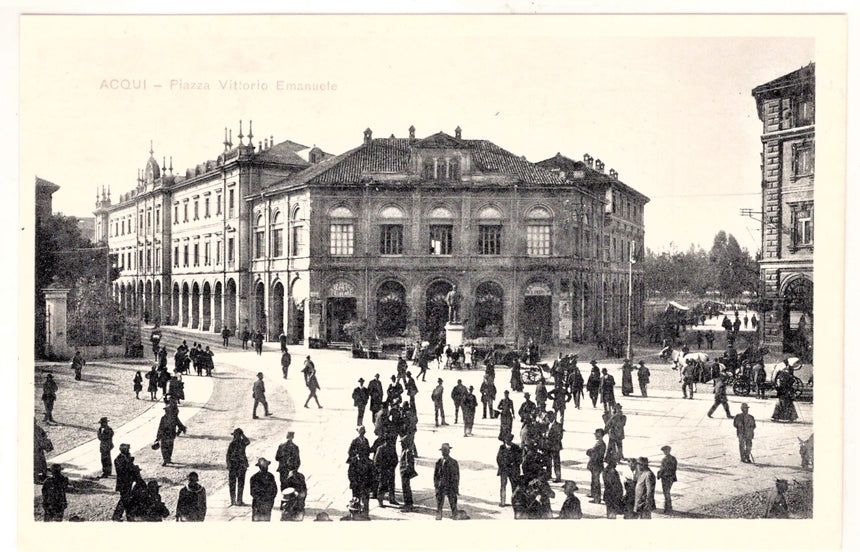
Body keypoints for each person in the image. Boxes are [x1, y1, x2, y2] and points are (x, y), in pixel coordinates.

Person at [112, 443, 144, 521]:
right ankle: (124, 517)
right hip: (123, 483)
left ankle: (118, 516)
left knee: (125, 500)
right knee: (125, 500)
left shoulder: (126, 457)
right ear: (123, 450)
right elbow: (124, 471)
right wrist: (133, 468)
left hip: (128, 482)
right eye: (127, 449)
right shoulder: (118, 459)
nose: (129, 451)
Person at [434, 443, 460, 520]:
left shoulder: (454, 462)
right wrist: (436, 485)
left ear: (449, 451)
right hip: (441, 485)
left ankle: (454, 514)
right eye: (443, 450)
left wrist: (456, 487)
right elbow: (435, 475)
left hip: (450, 485)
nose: (444, 452)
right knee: (439, 502)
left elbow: (456, 476)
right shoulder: (438, 461)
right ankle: (439, 514)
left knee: (453, 501)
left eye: (446, 450)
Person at [226, 428, 250, 506]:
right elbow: (228, 455)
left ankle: (239, 500)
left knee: (240, 483)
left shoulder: (242, 442)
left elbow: (248, 441)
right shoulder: (233, 443)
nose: (234, 437)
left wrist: (242, 434)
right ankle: (233, 500)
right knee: (233, 484)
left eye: (236, 435)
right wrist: (229, 465)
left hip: (240, 466)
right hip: (235, 465)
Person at [496, 433, 522, 507]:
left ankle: (515, 502)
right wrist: (503, 465)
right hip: (504, 470)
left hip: (513, 470)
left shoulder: (516, 447)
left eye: (508, 440)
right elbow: (498, 458)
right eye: (506, 440)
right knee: (503, 486)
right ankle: (502, 502)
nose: (507, 442)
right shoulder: (502, 447)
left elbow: (520, 459)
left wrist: (513, 464)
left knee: (514, 486)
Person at [374, 436, 399, 507]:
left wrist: (392, 467)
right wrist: (380, 469)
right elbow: (376, 461)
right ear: (385, 441)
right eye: (388, 441)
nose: (389, 443)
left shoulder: (392, 449)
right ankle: (380, 501)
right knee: (382, 486)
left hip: (390, 470)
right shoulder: (380, 449)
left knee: (392, 485)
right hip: (383, 471)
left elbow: (396, 460)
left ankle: (392, 499)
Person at [586, 428, 606, 503]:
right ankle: (593, 494)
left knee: (596, 482)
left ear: (599, 435)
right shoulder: (599, 443)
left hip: (596, 465)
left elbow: (594, 454)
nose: (595, 435)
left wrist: (589, 452)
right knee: (594, 480)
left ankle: (597, 498)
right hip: (596, 465)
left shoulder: (600, 444)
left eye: (596, 434)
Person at [657, 445, 678, 513]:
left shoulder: (664, 459)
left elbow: (662, 469)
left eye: (665, 451)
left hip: (665, 478)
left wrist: (659, 475)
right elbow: (675, 468)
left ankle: (668, 508)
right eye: (664, 451)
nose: (664, 452)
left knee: (666, 493)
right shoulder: (673, 458)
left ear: (668, 451)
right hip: (671, 478)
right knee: (667, 492)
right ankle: (668, 507)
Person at [399, 434, 417, 511]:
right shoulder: (405, 450)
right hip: (404, 472)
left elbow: (409, 463)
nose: (401, 444)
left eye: (402, 442)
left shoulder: (408, 451)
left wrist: (406, 472)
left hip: (405, 473)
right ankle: (407, 503)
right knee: (405, 488)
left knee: (406, 488)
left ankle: (408, 505)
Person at [546, 411, 564, 482]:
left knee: (556, 462)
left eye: (548, 416)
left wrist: (551, 440)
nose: (547, 418)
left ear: (552, 416)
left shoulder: (558, 425)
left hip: (555, 447)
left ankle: (558, 477)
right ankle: (548, 475)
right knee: (548, 461)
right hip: (548, 447)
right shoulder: (547, 425)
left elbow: (560, 437)